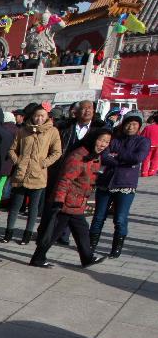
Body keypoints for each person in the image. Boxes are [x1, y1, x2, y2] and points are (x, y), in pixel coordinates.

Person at [30, 128, 112, 268]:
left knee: (81, 230)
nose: (103, 144)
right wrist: (59, 200)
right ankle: (38, 258)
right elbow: (65, 180)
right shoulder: (78, 156)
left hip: (77, 202)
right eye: (101, 140)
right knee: (55, 232)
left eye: (107, 142)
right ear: (93, 139)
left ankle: (87, 258)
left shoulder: (94, 156)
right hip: (66, 203)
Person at [89, 112, 151, 259]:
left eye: (135, 124)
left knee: (120, 218)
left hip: (126, 184)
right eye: (128, 123)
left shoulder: (143, 141)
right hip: (106, 182)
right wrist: (124, 160)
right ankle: (91, 244)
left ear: (139, 127)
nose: (131, 127)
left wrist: (116, 155)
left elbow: (137, 158)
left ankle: (116, 248)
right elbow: (104, 156)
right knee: (98, 216)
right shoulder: (114, 140)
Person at [2, 106, 61, 244]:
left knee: (33, 208)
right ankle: (8, 233)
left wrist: (43, 163)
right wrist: (18, 161)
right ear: (32, 116)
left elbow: (57, 152)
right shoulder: (23, 130)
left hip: (38, 174)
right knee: (15, 205)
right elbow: (12, 149)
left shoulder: (52, 132)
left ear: (47, 117)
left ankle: (27, 235)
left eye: (42, 116)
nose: (39, 118)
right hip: (21, 173)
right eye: (36, 116)